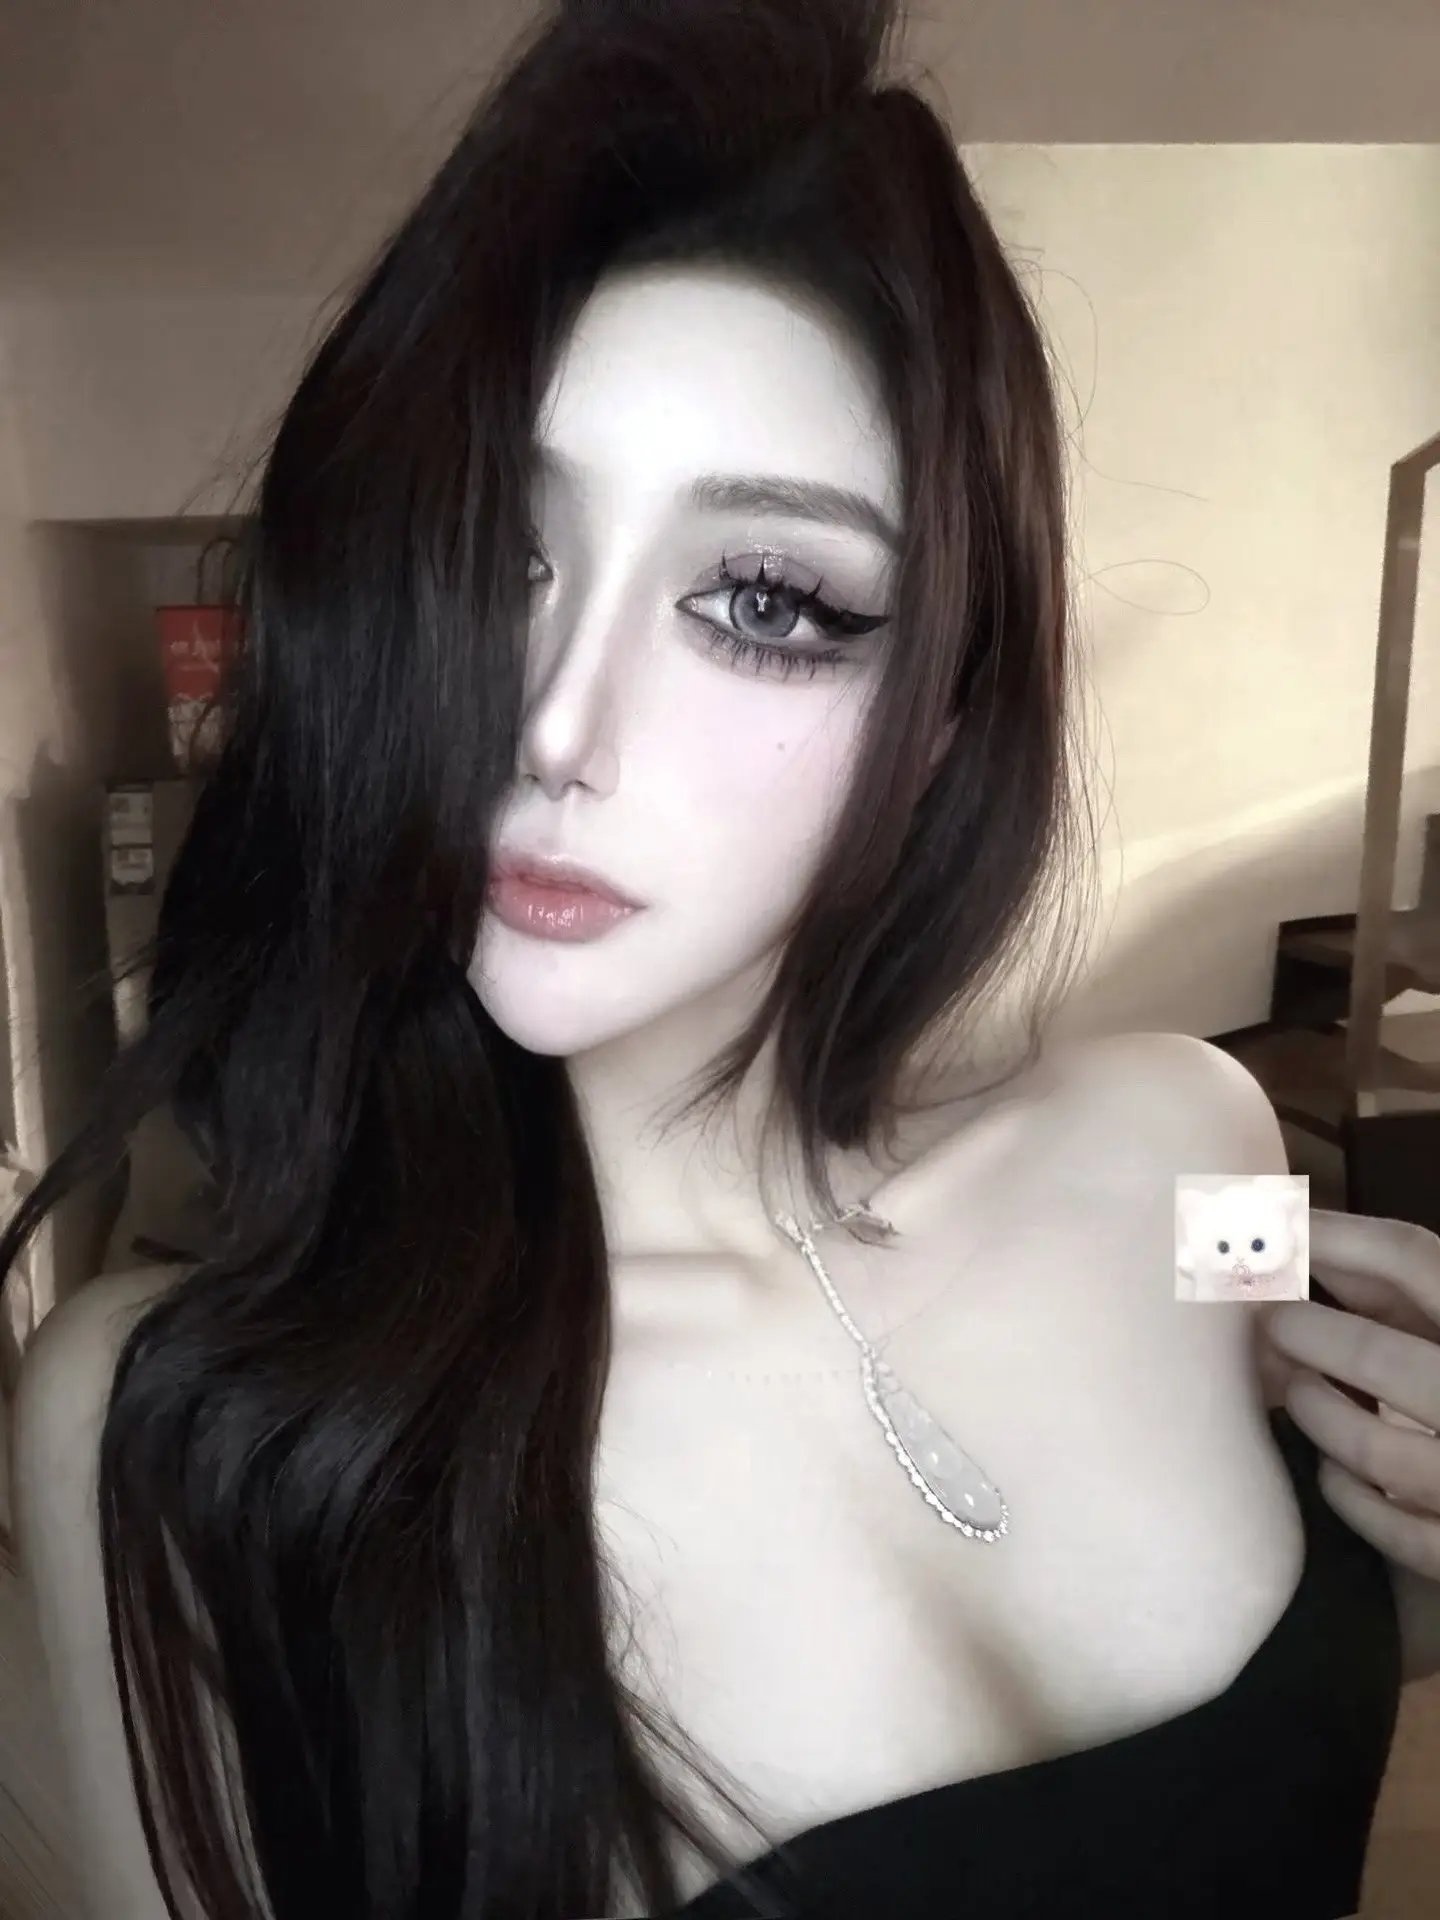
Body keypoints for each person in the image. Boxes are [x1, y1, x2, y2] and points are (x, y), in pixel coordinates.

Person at [4, 2, 1440, 1917]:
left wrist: (1414, 1562)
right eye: (497, 557)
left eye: (763, 600)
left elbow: (1284, 1651)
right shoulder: (182, 1435)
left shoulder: (1194, 1146)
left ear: (942, 715)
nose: (554, 725)